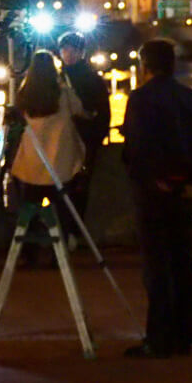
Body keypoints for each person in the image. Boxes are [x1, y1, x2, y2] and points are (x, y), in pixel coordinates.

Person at [122, 39, 192, 358]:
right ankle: (184, 334)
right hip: (187, 191)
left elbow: (138, 147)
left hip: (153, 194)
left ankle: (159, 337)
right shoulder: (191, 97)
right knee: (183, 264)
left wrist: (156, 181)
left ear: (145, 65)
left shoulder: (141, 99)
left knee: (157, 267)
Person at [11, 50, 86, 265]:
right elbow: (79, 110)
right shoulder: (64, 94)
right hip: (59, 162)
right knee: (62, 209)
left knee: (29, 209)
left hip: (32, 161)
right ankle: (58, 254)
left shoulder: (24, 95)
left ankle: (27, 252)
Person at [57, 31, 111, 239]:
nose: (67, 54)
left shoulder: (89, 79)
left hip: (82, 138)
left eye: (72, 50)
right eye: (64, 50)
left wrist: (94, 139)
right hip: (72, 138)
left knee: (76, 186)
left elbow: (102, 113)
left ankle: (72, 232)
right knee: (73, 187)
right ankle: (70, 232)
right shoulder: (61, 77)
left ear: (81, 52)